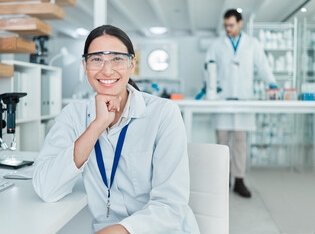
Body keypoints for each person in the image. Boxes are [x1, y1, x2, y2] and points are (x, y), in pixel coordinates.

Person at [33, 25, 200, 234]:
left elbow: (171, 206)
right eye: (96, 59)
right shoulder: (73, 115)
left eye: (117, 59)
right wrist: (97, 126)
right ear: (85, 66)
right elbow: (46, 189)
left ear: (132, 65)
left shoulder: (163, 114)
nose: (107, 70)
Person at [206, 9, 277, 198]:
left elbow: (263, 66)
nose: (228, 29)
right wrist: (209, 88)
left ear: (240, 23)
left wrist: (272, 84)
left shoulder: (252, 44)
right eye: (225, 25)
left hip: (244, 99)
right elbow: (208, 68)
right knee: (222, 143)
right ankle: (222, 180)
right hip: (222, 100)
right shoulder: (216, 45)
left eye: (231, 25)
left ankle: (239, 180)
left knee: (240, 143)